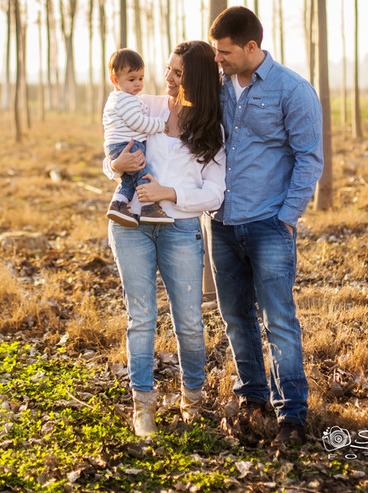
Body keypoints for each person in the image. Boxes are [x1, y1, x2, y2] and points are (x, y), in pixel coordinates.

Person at [208, 6, 323, 447]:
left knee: (278, 320)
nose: (219, 59)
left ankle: (291, 414)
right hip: (221, 222)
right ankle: (252, 396)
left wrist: (286, 218)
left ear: (251, 47)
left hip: (269, 224)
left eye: (225, 52)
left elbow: (309, 159)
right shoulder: (218, 89)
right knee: (236, 317)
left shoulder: (292, 90)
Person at [104, 40, 226, 437]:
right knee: (141, 319)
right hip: (132, 227)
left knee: (189, 322)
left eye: (178, 74)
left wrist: (170, 193)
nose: (168, 78)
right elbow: (115, 150)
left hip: (180, 229)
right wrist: (113, 164)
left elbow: (215, 193)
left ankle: (192, 398)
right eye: (169, 70)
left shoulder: (211, 127)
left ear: (199, 80)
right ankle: (143, 406)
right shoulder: (147, 106)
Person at [102, 48, 173, 227]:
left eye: (141, 78)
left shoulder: (123, 98)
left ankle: (118, 204)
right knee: (143, 172)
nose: (138, 84)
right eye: (132, 79)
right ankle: (149, 207)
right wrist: (160, 125)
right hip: (127, 144)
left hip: (120, 145)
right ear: (115, 80)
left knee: (128, 180)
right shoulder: (124, 99)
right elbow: (137, 122)